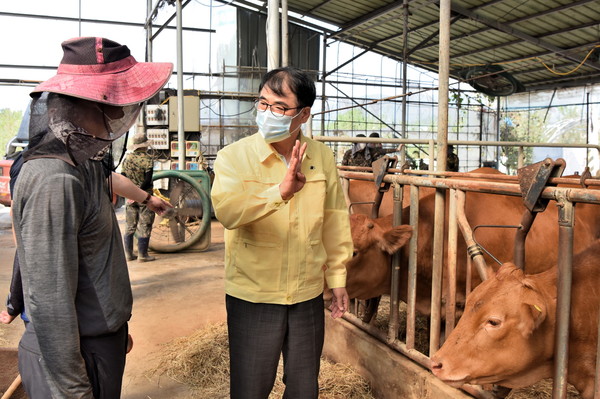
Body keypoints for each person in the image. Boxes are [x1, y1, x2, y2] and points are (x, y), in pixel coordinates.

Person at [10, 37, 172, 399]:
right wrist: (72, 388)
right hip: (71, 358)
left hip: (96, 340)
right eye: (118, 103)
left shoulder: (83, 161)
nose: (123, 113)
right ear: (91, 104)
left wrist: (112, 327)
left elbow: (93, 260)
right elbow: (49, 302)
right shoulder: (53, 179)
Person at [210, 66, 353, 399]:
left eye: (278, 107)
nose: (266, 113)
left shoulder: (320, 156)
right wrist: (280, 192)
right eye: (262, 103)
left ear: (303, 114)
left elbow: (334, 219)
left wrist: (338, 276)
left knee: (304, 388)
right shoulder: (234, 157)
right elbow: (228, 213)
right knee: (250, 388)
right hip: (254, 294)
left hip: (305, 294)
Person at [121, 133, 157, 262]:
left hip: (129, 196)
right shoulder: (148, 159)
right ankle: (143, 255)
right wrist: (139, 194)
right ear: (145, 146)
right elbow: (148, 180)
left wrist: (131, 193)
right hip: (145, 196)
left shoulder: (127, 159)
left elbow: (123, 177)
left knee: (130, 224)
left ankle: (129, 255)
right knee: (145, 224)